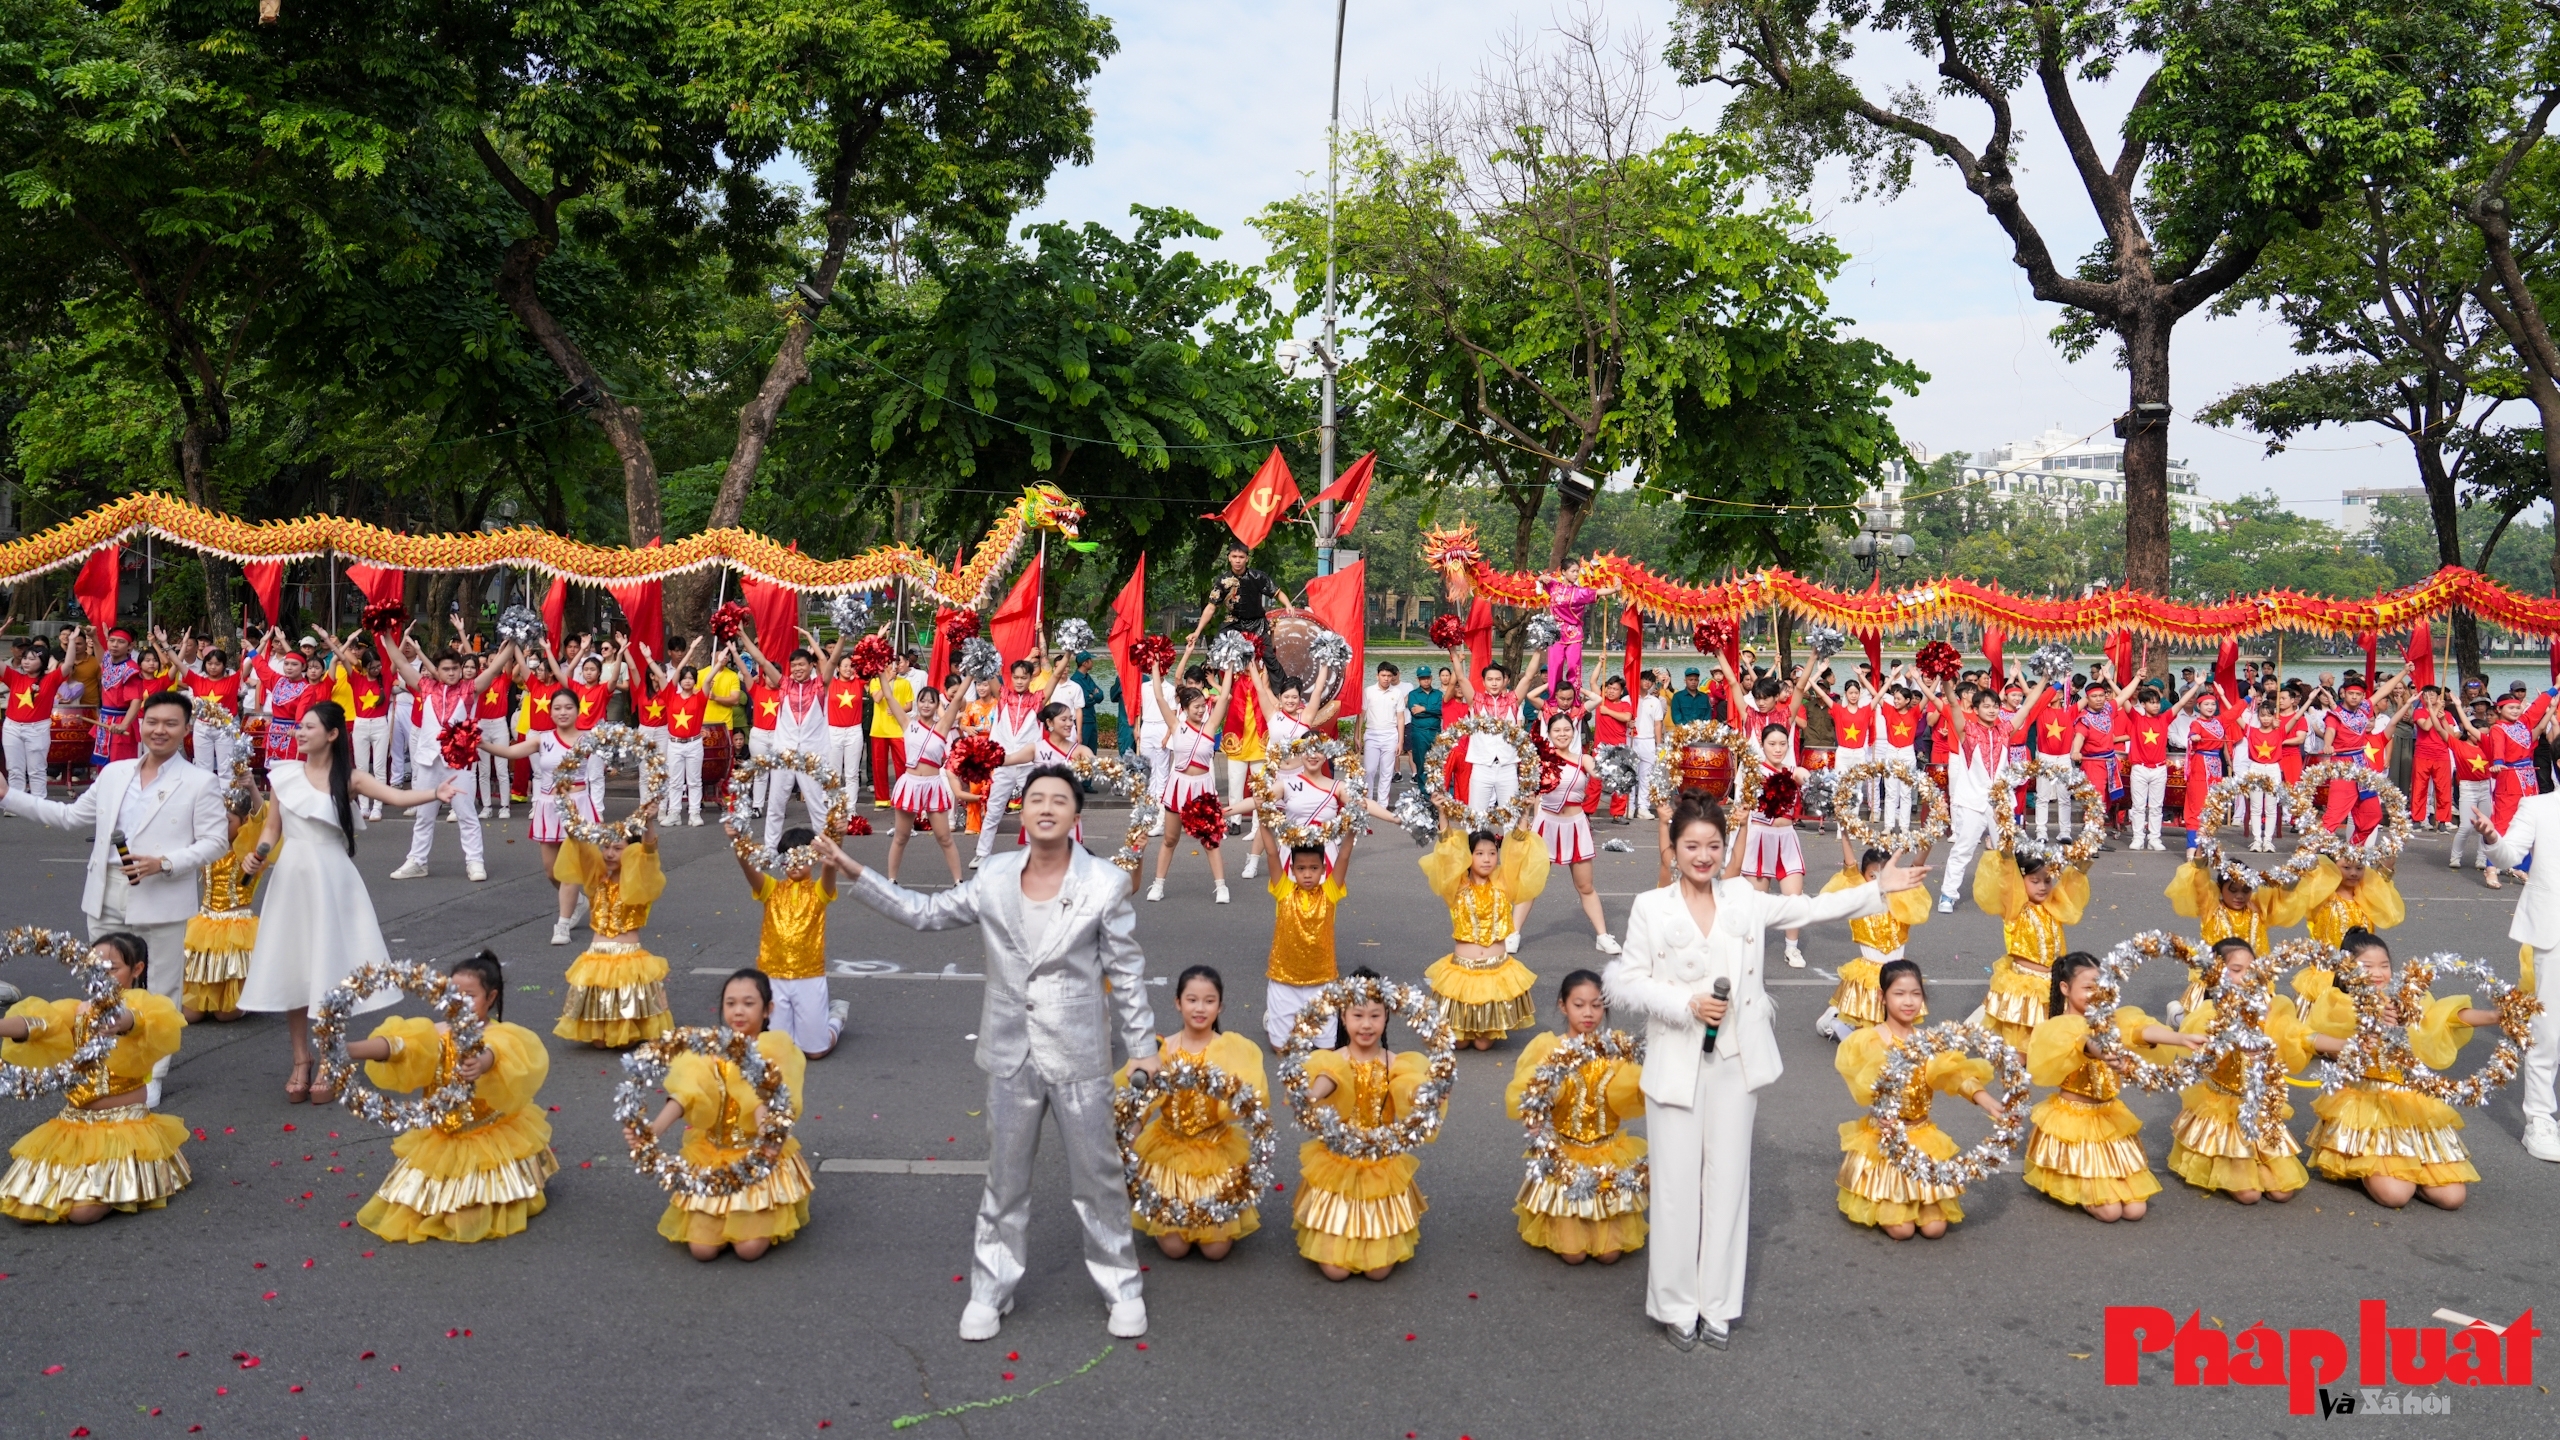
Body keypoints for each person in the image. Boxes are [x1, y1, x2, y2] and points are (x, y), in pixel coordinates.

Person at [819, 765, 1158, 1341]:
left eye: (1059, 800)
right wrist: (856, 871)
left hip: (1080, 1053)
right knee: (1004, 1179)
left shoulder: (1104, 883)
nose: (1046, 807)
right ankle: (990, 1288)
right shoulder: (995, 875)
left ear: (1077, 816)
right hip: (1009, 1051)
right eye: (1035, 800)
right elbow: (926, 915)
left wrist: (1144, 1048)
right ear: (1020, 813)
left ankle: (1122, 1286)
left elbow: (1126, 973)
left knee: (1098, 1177)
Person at [1605, 798, 1929, 1351]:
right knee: (1677, 1187)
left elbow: (1807, 910)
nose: (1703, 856)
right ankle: (1676, 1304)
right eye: (1692, 846)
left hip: (1736, 1061)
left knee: (1728, 1182)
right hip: (1675, 1061)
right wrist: (1687, 1002)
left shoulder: (1746, 900)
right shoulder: (1649, 907)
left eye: (1713, 846)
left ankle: (1719, 1306)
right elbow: (1627, 980)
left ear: (1724, 847)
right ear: (1673, 849)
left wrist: (1878, 890)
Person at [1, 689, 226, 1104]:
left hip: (160, 893)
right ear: (142, 724)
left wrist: (165, 862)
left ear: (187, 730)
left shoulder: (200, 782)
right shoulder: (114, 773)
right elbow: (69, 817)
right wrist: (8, 796)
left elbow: (215, 841)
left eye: (170, 724)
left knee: (161, 988)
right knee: (103, 981)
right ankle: (104, 1060)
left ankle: (152, 1072)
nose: (159, 730)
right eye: (153, 722)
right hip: (105, 890)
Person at [239, 701, 464, 1102]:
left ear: (332, 734)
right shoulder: (283, 776)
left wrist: (436, 791)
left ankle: (329, 1057)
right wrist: (258, 853)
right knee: (294, 966)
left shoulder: (350, 778)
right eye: (299, 727)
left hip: (333, 878)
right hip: (291, 876)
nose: (300, 733)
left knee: (330, 967)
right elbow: (272, 828)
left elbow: (395, 798)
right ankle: (300, 1058)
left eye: (309, 727)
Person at [341, 951, 558, 1242]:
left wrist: (481, 1063)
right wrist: (349, 1050)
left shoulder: (500, 1035)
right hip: (443, 1135)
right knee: (421, 1212)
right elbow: (397, 1047)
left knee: (465, 1220)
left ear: (490, 998)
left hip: (484, 1135)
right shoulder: (433, 1033)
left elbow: (495, 1053)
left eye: (469, 996)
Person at [2297, 928, 2503, 1210]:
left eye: (2384, 965)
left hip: (2410, 1103)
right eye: (2366, 966)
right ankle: (2362, 1163)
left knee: (2453, 1198)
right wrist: (2370, 1019)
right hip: (2367, 1108)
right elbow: (2320, 1034)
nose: (2378, 973)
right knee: (2395, 1195)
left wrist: (2495, 1015)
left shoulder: (2408, 1000)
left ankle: (2412, 1171)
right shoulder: (2339, 1002)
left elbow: (2445, 1018)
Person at [0, 933, 190, 1224]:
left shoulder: (144, 1005)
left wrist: (116, 1022)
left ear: (136, 970)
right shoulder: (74, 1010)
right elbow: (37, 1025)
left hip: (123, 1124)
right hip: (73, 1123)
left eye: (112, 968)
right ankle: (93, 1183)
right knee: (29, 1208)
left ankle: (125, 1182)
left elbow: (135, 1020)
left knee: (81, 1214)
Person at [1833, 960, 2007, 1239]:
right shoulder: (1868, 1040)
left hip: (1921, 1134)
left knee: (1935, 1229)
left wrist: (1985, 1099)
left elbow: (1953, 1074)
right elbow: (1865, 1087)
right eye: (1899, 994)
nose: (1908, 1001)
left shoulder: (1927, 1040)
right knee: (1902, 1230)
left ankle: (1916, 1200)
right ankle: (1884, 1198)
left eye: (1915, 993)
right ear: (1882, 996)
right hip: (1888, 1140)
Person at [645, 971, 812, 1261]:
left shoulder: (774, 1052)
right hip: (714, 1154)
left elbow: (766, 1101)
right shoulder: (712, 1050)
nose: (738, 1011)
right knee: (702, 1250)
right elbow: (687, 1093)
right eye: (730, 1003)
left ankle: (769, 1209)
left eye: (748, 1003)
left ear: (768, 1010)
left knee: (747, 1250)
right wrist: (653, 1130)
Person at [2025, 951, 2198, 1222]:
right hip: (2075, 1123)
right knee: (2109, 1211)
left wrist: (2180, 1037)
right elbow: (2085, 1042)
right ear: (2065, 988)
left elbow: (2140, 1031)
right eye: (2089, 988)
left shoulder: (2110, 1020)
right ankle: (2069, 1179)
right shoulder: (2057, 1027)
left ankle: (2101, 1183)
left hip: (2108, 1116)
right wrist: (2101, 1049)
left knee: (2135, 1209)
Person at [1292, 966, 1439, 1281]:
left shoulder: (1396, 1063)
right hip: (1339, 1160)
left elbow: (1408, 1090)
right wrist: (1312, 1096)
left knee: (1379, 1271)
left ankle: (1373, 1235)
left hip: (1379, 1161)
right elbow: (1329, 1080)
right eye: (1358, 1015)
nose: (1366, 1024)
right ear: (1343, 1017)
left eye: (1375, 1015)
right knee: (1335, 1271)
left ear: (1387, 1016)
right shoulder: (1335, 1059)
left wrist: (1425, 1095)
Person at [1113, 965, 1268, 1261]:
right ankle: (1172, 1213)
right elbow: (1140, 1106)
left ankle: (1211, 1215)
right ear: (1178, 1003)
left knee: (1215, 1250)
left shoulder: (1233, 1049)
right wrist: (1126, 1148)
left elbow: (1250, 1104)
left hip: (1216, 1151)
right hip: (1170, 1150)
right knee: (1175, 1248)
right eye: (1192, 1000)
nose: (1200, 1008)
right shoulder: (1161, 1049)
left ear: (1220, 1006)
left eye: (1209, 1001)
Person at [1503, 969, 1647, 1264]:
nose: (1588, 1013)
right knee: (1574, 1254)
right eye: (1579, 1005)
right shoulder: (1548, 1048)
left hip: (1607, 1154)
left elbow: (1635, 1094)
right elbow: (1527, 1094)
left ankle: (1602, 1222)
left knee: (1609, 1254)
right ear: (1562, 1005)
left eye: (1596, 1005)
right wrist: (1536, 1118)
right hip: (1564, 1154)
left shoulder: (1617, 1049)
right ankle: (1561, 1220)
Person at [2165, 937, 2313, 1204]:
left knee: (2282, 1192)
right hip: (2223, 1109)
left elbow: (2301, 1036)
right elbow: (2204, 1052)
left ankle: (2253, 1160)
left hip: (2257, 1110)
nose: (2246, 977)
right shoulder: (2208, 1015)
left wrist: (2347, 1045)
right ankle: (2222, 1158)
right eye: (2236, 970)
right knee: (2249, 1195)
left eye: (2252, 969)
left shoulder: (2271, 1010)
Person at [379, 638, 519, 883]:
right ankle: (417, 861)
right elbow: (400, 661)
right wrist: (388, 636)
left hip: (459, 761)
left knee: (466, 814)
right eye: (446, 669)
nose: (452, 673)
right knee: (424, 815)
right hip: (427, 760)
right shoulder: (425, 686)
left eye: (455, 668)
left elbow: (496, 668)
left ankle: (475, 861)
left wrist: (513, 641)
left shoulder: (470, 689)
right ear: (437, 670)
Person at [2469, 795, 2560, 1161]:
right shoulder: (2538, 807)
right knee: (2548, 1030)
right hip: (2553, 926)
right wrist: (2491, 837)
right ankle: (2539, 1119)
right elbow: (2508, 857)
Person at [551, 813, 672, 1048]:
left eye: (617, 848)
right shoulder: (596, 878)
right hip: (597, 954)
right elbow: (578, 846)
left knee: (625, 1040)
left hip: (628, 955)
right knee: (598, 1041)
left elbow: (648, 851)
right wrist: (567, 810)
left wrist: (648, 823)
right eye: (606, 847)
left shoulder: (639, 880)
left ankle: (628, 1025)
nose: (609, 854)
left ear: (631, 851)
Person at [1420, 828, 1548, 1049]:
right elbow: (1447, 855)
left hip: (1494, 970)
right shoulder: (1456, 886)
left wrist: (1524, 816)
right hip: (1462, 970)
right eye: (1479, 853)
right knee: (1458, 1043)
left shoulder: (1503, 885)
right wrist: (1442, 815)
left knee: (1482, 1044)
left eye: (1491, 853)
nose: (1487, 859)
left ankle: (1484, 1024)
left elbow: (1518, 854)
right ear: (1468, 857)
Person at [733, 823, 848, 1060]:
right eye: (788, 858)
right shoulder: (771, 889)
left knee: (815, 1052)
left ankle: (836, 1018)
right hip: (773, 977)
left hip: (809, 975)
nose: (794, 864)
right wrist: (738, 842)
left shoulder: (819, 891)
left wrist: (837, 837)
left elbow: (830, 868)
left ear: (813, 858)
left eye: (801, 857)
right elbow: (749, 870)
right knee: (776, 1052)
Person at [1816, 836, 1932, 1041]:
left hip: (1896, 972)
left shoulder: (1902, 895)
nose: (1879, 882)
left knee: (1897, 1035)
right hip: (1869, 975)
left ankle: (1840, 1022)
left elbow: (1917, 865)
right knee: (1868, 1039)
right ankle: (1834, 1023)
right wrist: (1844, 832)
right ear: (1863, 876)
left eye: (1883, 876)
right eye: (1872, 876)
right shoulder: (1859, 895)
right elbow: (1849, 866)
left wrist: (1931, 837)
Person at [1146, 663, 1235, 903]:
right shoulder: (1176, 725)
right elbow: (1158, 696)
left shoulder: (1210, 726)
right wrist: (1155, 667)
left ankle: (1221, 886)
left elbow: (1225, 696)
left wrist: (1231, 667)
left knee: (1210, 840)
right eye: (1196, 707)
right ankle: (1158, 884)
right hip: (1178, 785)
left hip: (1203, 787)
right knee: (1170, 839)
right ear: (1184, 708)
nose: (1200, 710)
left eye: (1203, 706)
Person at [180, 789, 268, 1022]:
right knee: (191, 1015)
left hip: (236, 928)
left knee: (225, 1015)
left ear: (244, 822)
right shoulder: (207, 846)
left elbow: (265, 821)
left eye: (227, 821)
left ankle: (248, 998)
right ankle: (209, 992)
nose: (219, 826)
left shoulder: (250, 850)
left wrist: (252, 788)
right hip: (205, 924)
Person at [879, 678, 968, 886]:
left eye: (931, 701)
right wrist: (882, 672)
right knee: (901, 837)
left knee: (945, 838)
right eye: (922, 701)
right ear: (917, 704)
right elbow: (889, 697)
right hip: (910, 784)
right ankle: (891, 880)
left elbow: (956, 701)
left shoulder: (943, 726)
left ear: (937, 705)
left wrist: (971, 675)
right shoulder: (908, 723)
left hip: (933, 785)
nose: (926, 704)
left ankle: (959, 881)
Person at [1359, 660, 1411, 791]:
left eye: (1389, 676)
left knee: (1386, 773)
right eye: (1383, 675)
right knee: (1369, 770)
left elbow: (1400, 718)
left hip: (1390, 735)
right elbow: (1361, 715)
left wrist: (1400, 741)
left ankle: (1382, 804)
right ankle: (1369, 800)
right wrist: (1357, 736)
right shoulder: (1368, 691)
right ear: (1377, 676)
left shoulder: (1397, 693)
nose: (1386, 679)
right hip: (1372, 734)